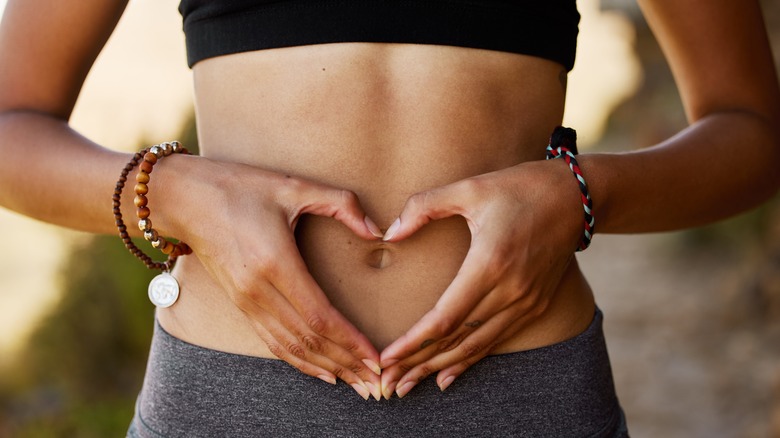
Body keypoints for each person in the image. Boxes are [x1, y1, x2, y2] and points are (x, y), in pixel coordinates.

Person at [0, 0, 778, 436]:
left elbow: (752, 132)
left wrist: (583, 193)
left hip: (521, 400)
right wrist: (172, 193)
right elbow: (12, 122)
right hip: (230, 403)